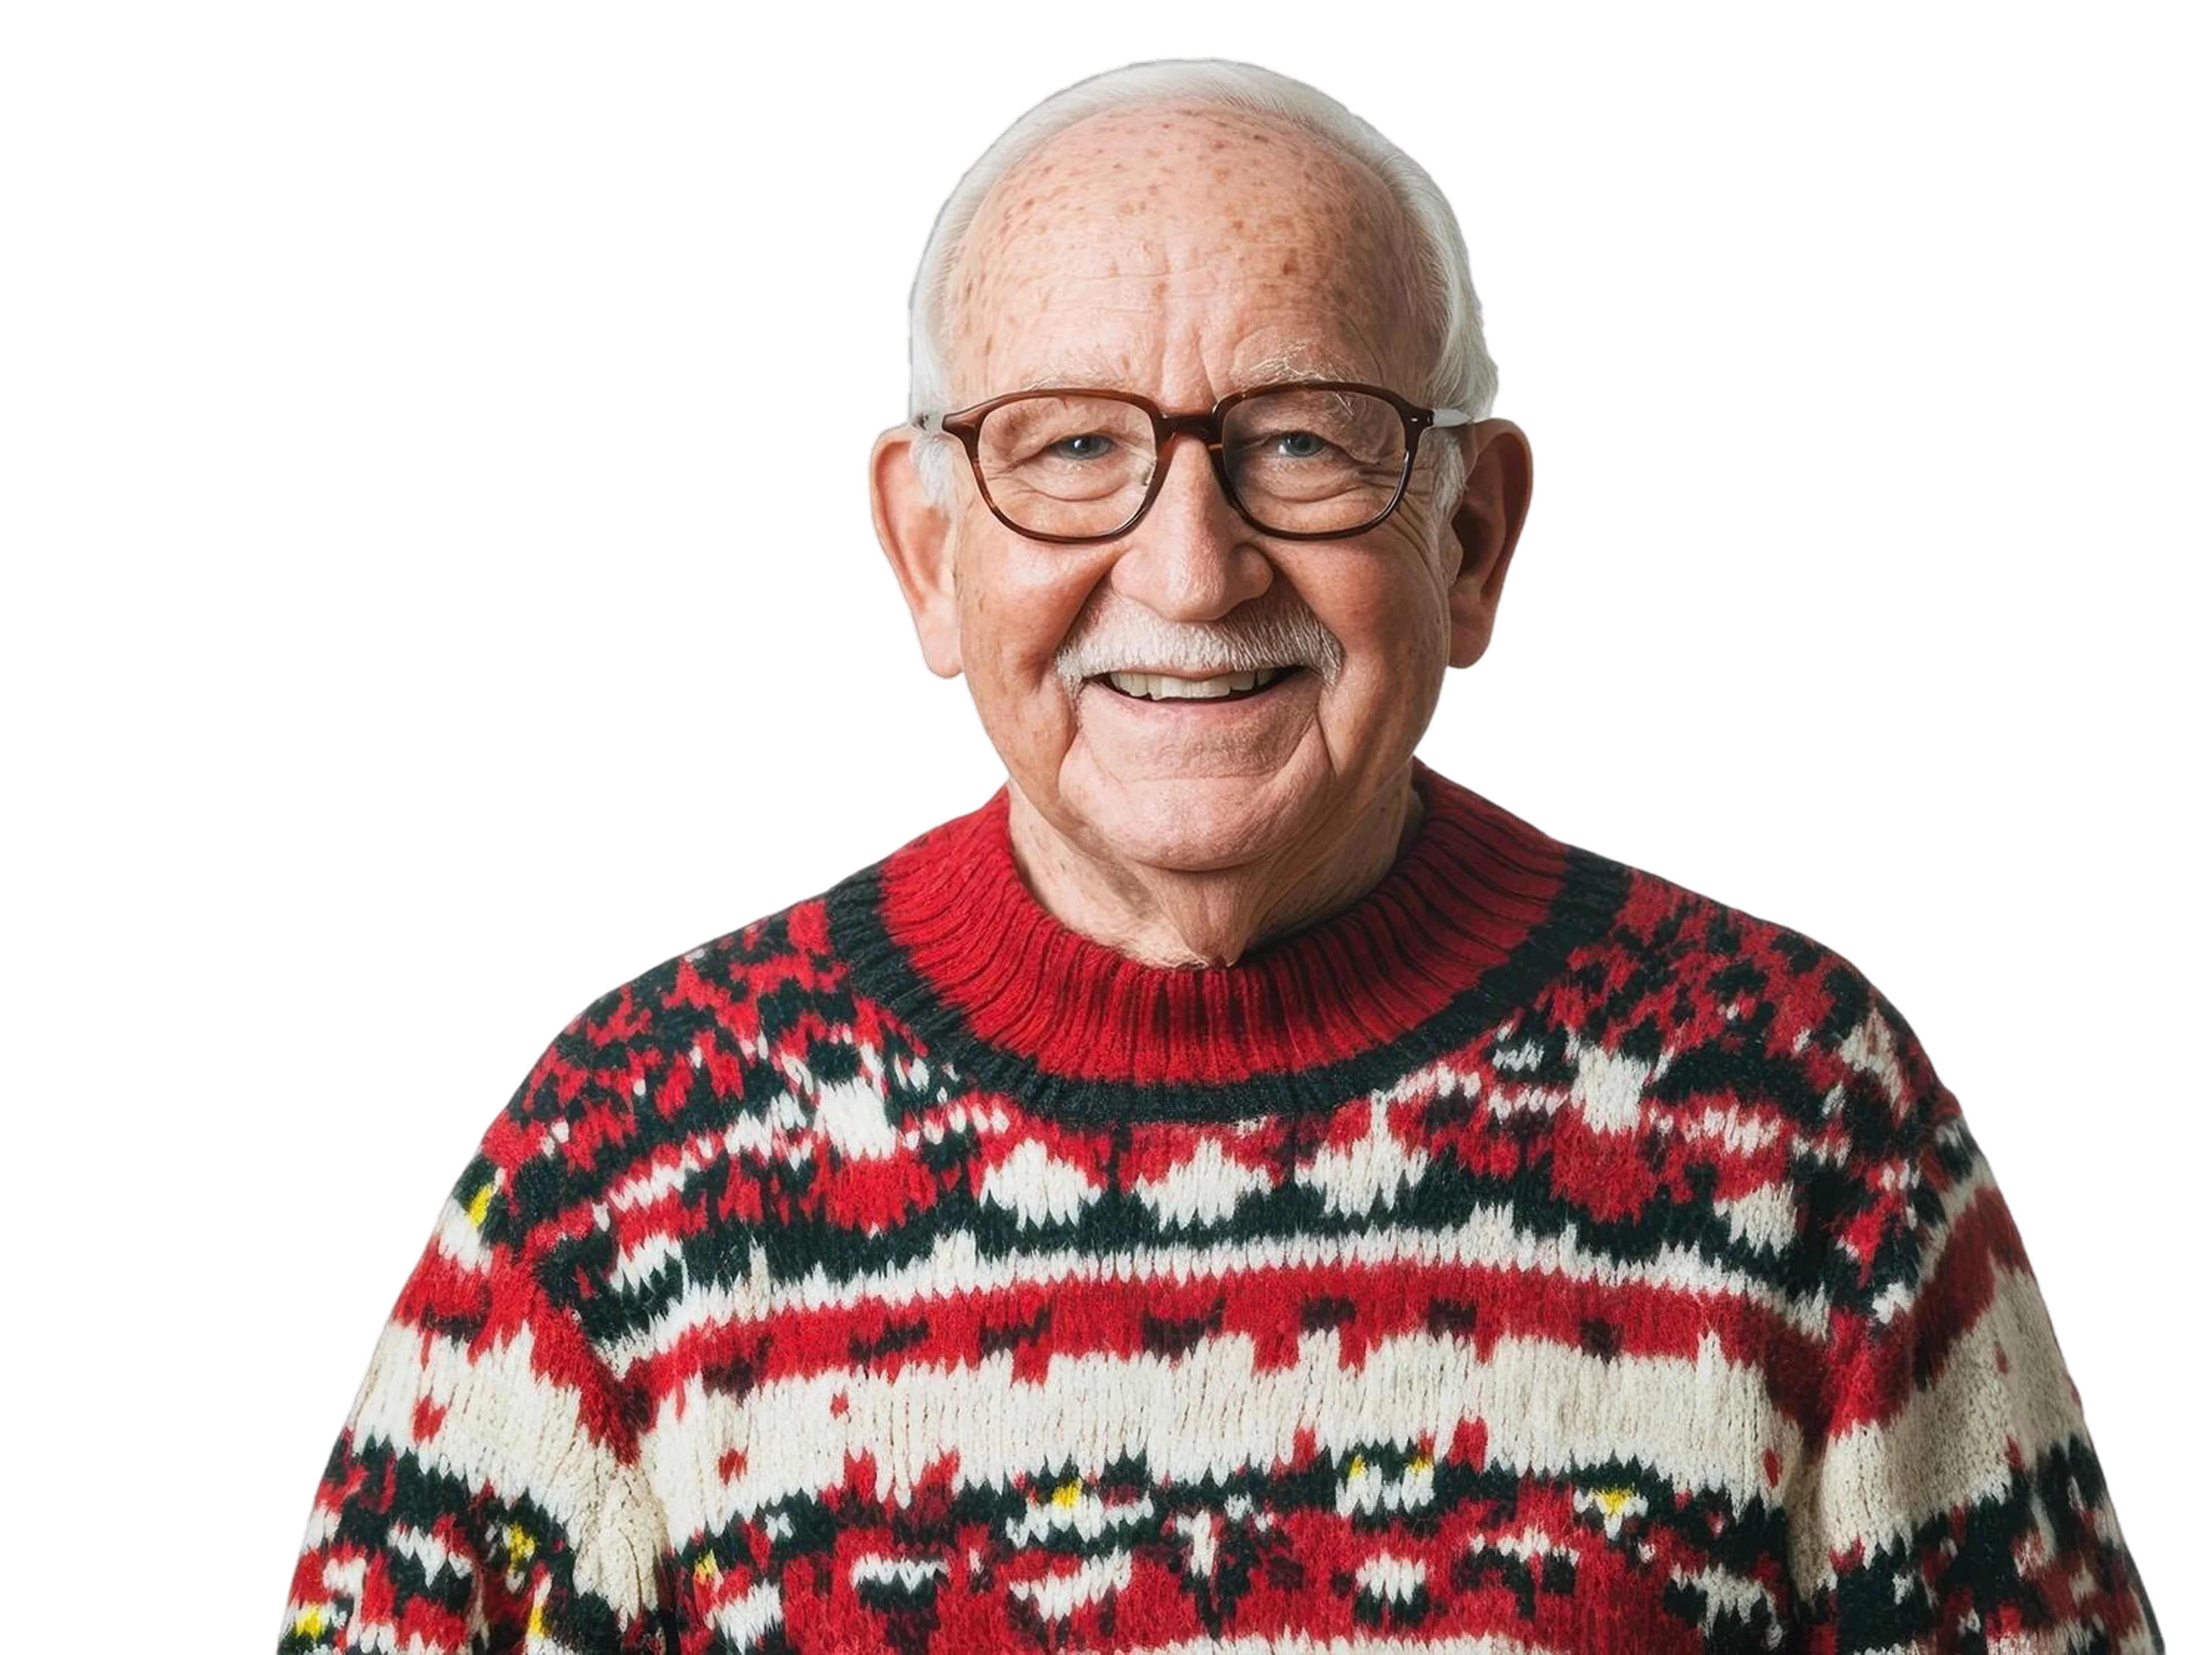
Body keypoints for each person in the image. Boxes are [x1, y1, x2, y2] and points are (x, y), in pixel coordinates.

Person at [273, 55, 2165, 1654]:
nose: (1189, 570)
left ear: (1476, 538)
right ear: (928, 554)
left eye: (1301, 442)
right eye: (1072, 448)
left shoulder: (1804, 1109)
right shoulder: (625, 1149)